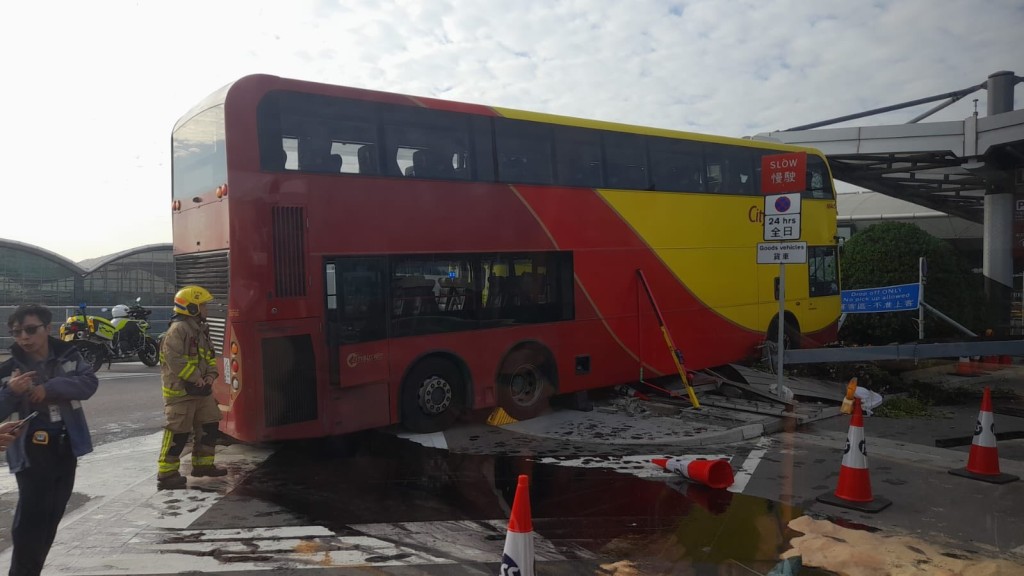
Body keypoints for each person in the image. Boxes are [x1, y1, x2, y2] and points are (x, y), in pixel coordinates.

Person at [0, 303, 99, 576]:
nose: (24, 338)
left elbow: (88, 383)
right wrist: (10, 391)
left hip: (66, 447)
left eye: (31, 330)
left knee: (52, 516)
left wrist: (49, 387)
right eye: (17, 332)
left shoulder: (69, 355)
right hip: (32, 453)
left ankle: (33, 570)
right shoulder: (11, 369)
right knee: (31, 520)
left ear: (48, 328)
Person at [156, 285, 225, 489]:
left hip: (200, 391)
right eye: (203, 305)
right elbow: (174, 359)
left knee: (210, 424)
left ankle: (203, 465)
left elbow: (209, 357)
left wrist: (211, 376)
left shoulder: (200, 329)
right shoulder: (178, 330)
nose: (206, 309)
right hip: (181, 393)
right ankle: (167, 474)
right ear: (192, 307)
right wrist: (196, 378)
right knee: (178, 433)